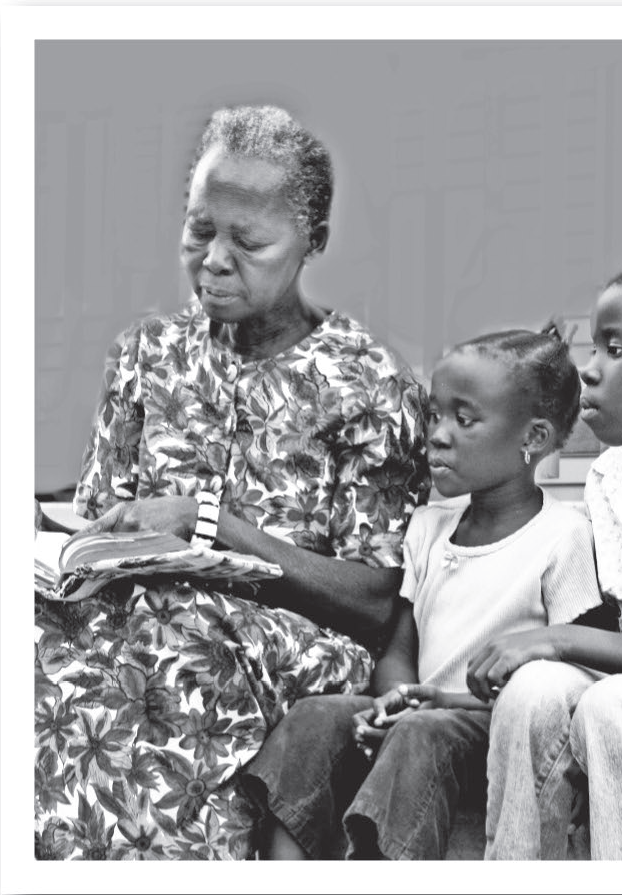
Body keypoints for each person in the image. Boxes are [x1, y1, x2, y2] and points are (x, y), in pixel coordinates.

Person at [33, 105, 430, 861]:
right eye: (198, 230)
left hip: (287, 635)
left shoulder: (369, 383)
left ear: (313, 241)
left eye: (247, 242)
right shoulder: (145, 353)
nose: (214, 259)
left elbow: (373, 604)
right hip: (138, 606)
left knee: (171, 645)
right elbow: (91, 525)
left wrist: (211, 523)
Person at [238, 326, 605, 860]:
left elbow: (576, 679)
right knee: (316, 717)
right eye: (434, 415)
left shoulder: (563, 535)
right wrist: (393, 699)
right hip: (418, 714)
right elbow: (400, 647)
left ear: (534, 438)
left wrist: (437, 706)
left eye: (465, 419)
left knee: (422, 736)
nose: (436, 434)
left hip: (487, 726)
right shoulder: (428, 527)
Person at [468, 255, 622, 860]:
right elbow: (607, 625)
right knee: (535, 689)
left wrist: (560, 641)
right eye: (592, 349)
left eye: (616, 349)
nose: (591, 372)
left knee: (618, 703)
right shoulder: (608, 477)